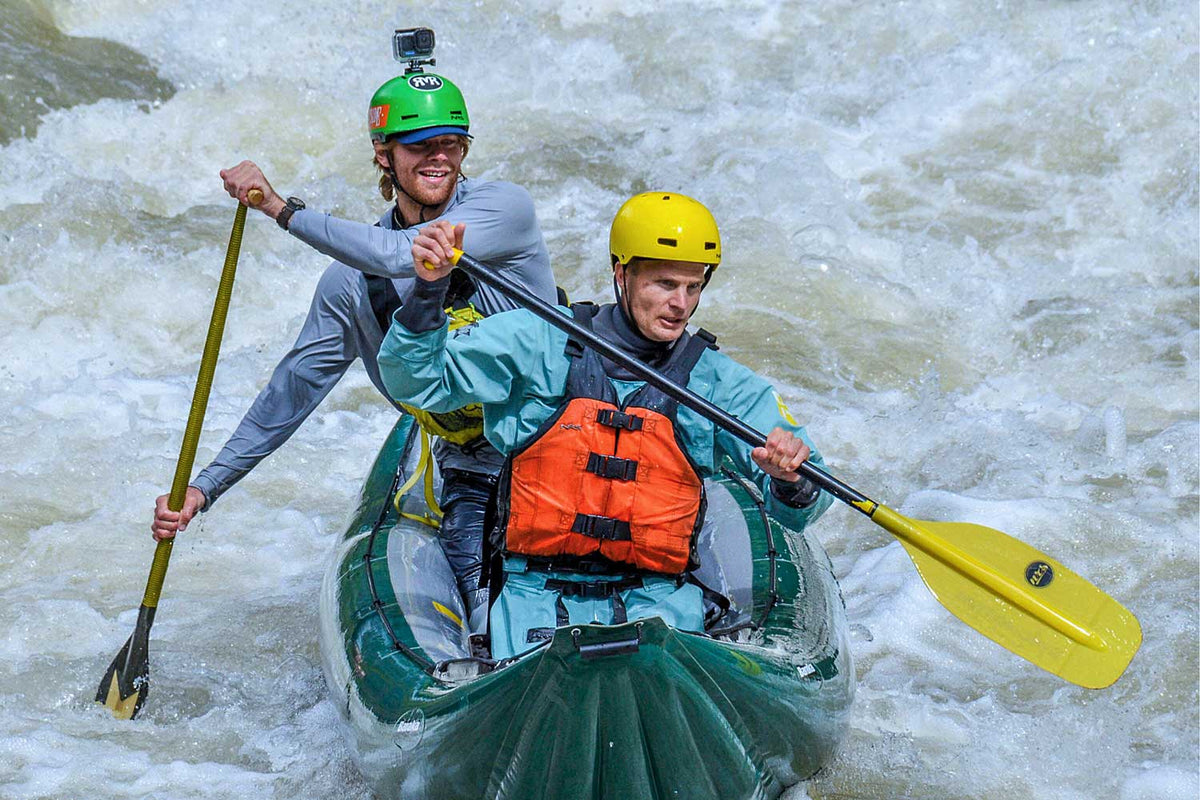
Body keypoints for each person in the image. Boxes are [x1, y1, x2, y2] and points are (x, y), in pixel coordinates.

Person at [150, 57, 558, 629]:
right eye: (418, 146)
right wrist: (205, 488)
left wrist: (279, 208)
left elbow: (403, 254)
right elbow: (293, 391)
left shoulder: (502, 210)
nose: (438, 157)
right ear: (384, 155)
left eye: (450, 143)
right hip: (473, 463)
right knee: (484, 609)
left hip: (559, 440)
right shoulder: (349, 285)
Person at [378, 191, 834, 659]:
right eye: (664, 284)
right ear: (622, 274)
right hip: (533, 602)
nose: (680, 304)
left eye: (693, 288)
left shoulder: (715, 381)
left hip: (661, 605)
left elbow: (800, 509)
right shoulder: (539, 340)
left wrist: (791, 480)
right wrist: (429, 289)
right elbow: (416, 382)